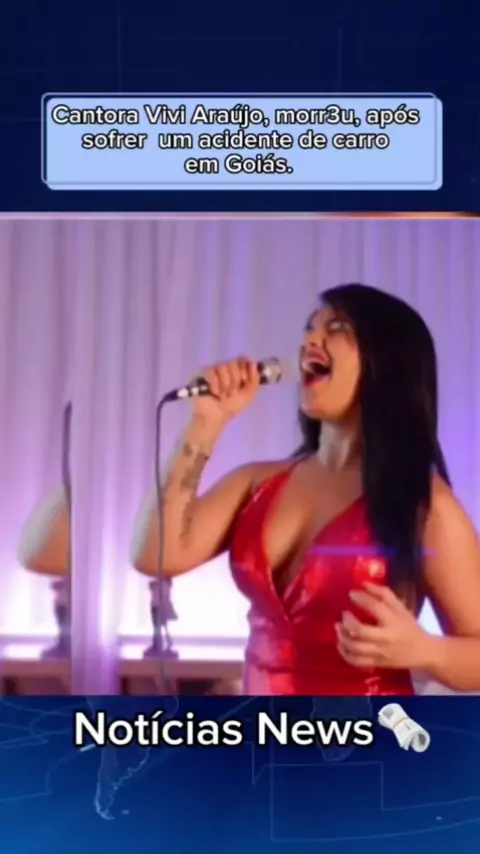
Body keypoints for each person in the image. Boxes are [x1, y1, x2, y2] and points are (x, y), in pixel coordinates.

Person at [131, 283, 480, 695]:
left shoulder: (424, 504)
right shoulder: (257, 483)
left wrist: (425, 651)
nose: (309, 340)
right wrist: (206, 423)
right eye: (309, 328)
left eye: (336, 328)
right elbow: (153, 554)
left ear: (386, 361)